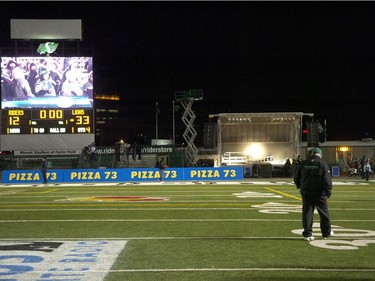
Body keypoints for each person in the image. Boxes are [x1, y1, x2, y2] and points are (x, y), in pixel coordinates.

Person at [294, 147, 333, 241]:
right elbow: (327, 179)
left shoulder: (304, 163)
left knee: (307, 212)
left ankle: (308, 234)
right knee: (323, 213)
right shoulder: (322, 164)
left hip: (306, 191)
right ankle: (326, 233)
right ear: (320, 155)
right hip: (319, 192)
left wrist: (300, 186)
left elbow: (296, 177)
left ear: (312, 154)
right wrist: (328, 192)